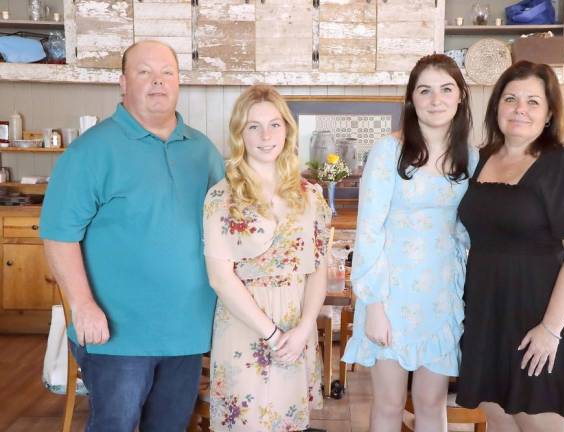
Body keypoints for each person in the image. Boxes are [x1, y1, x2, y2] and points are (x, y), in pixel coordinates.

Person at [40, 40, 225, 431]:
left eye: (167, 73)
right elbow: (59, 236)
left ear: (178, 82)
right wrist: (83, 305)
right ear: (123, 83)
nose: (157, 82)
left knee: (171, 426)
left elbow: (228, 229)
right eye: (144, 73)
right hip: (116, 333)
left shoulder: (203, 151)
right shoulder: (90, 152)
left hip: (187, 331)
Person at [456, 61, 564, 432]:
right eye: (511, 98)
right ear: (497, 108)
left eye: (533, 101)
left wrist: (550, 329)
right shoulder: (480, 159)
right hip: (488, 317)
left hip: (539, 322)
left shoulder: (563, 165)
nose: (520, 108)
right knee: (499, 423)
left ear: (550, 113)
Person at [341, 54, 476, 432]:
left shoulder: (472, 157)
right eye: (425, 90)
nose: (436, 99)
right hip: (391, 295)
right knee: (388, 403)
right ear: (411, 99)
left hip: (441, 296)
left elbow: (467, 229)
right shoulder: (389, 152)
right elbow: (368, 230)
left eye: (446, 89)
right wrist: (374, 305)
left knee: (432, 403)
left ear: (461, 95)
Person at [203, 84, 330, 431]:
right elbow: (219, 277)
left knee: (290, 424)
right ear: (239, 133)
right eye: (253, 126)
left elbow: (317, 270)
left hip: (296, 327)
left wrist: (304, 328)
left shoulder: (310, 195)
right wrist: (272, 335)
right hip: (246, 327)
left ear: (287, 129)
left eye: (274, 124)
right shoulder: (221, 196)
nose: (265, 135)